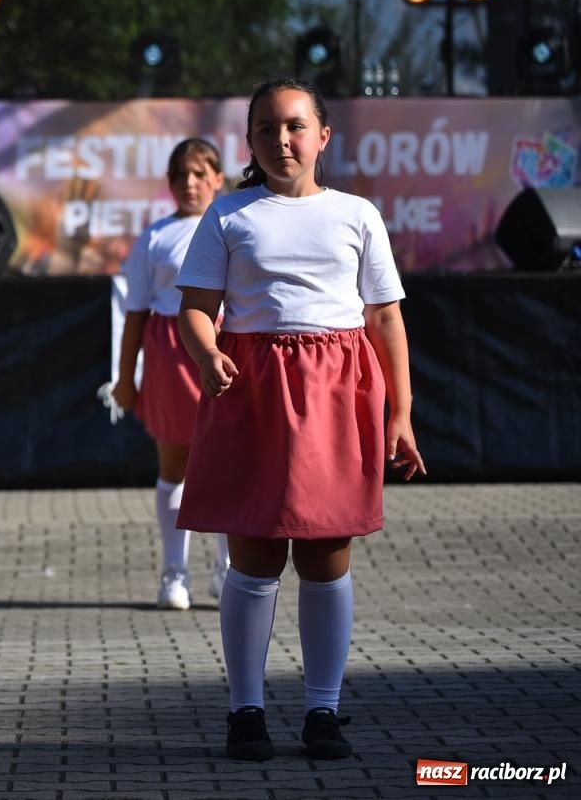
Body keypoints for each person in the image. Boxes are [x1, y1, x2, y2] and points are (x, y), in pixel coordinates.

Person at [173, 77, 425, 763]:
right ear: (250, 141)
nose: (280, 140)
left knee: (326, 555)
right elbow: (194, 306)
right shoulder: (229, 215)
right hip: (252, 390)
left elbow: (383, 316)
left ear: (322, 136)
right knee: (252, 556)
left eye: (293, 126)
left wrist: (400, 412)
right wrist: (208, 353)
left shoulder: (356, 215)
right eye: (265, 129)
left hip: (339, 394)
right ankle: (245, 712)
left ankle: (323, 712)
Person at [112, 138, 230, 611]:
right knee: (174, 467)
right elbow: (134, 314)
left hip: (224, 351)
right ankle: (173, 573)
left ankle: (228, 571)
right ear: (169, 183)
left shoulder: (232, 227)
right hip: (166, 357)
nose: (190, 184)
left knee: (226, 465)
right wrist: (125, 378)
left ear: (219, 179)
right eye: (180, 175)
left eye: (201, 174)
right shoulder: (154, 238)